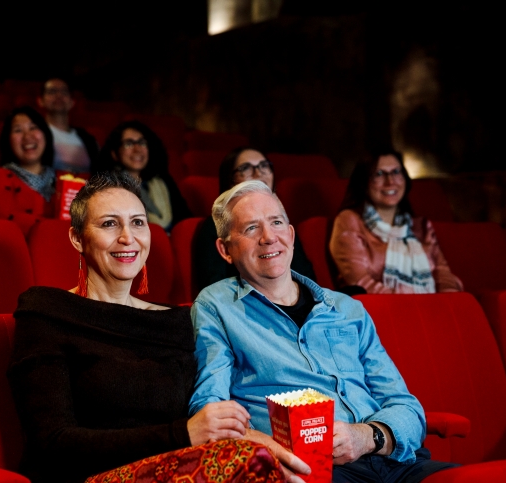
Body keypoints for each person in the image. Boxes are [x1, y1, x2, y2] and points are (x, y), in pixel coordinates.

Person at [7, 172, 307, 483]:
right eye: (109, 224)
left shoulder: (173, 321)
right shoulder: (47, 312)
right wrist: (183, 433)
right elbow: (51, 443)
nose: (127, 237)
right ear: (77, 238)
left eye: (138, 222)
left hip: (181, 468)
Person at [189, 180, 458, 483]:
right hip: (312, 470)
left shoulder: (347, 309)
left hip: (395, 461)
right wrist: (269, 450)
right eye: (251, 228)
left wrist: (368, 437)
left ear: (290, 236)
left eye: (276, 223)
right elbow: (211, 411)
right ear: (225, 250)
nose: (268, 237)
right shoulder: (216, 306)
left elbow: (406, 406)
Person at [329, 150, 462, 294]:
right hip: (379, 310)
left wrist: (449, 302)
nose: (390, 181)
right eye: (379, 174)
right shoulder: (349, 221)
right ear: (364, 181)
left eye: (396, 172)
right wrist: (405, 306)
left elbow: (443, 274)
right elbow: (360, 282)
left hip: (430, 308)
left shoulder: (420, 227)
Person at [194, 147, 316, 292]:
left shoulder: (283, 222)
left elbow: (308, 279)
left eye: (264, 165)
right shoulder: (212, 227)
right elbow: (214, 287)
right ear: (230, 180)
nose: (258, 173)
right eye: (245, 168)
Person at [97, 120, 191, 231]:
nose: (137, 149)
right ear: (115, 154)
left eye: (142, 143)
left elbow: (185, 219)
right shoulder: (108, 186)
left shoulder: (162, 181)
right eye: (129, 144)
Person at [0, 106, 57, 236]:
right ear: (8, 140)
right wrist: (58, 228)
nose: (27, 136)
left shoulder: (65, 179)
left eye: (33, 128)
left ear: (45, 134)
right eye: (18, 130)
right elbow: (7, 222)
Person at [36, 77, 98, 175]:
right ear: (40, 101)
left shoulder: (88, 139)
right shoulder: (36, 135)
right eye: (52, 92)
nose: (58, 95)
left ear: (72, 102)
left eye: (64, 92)